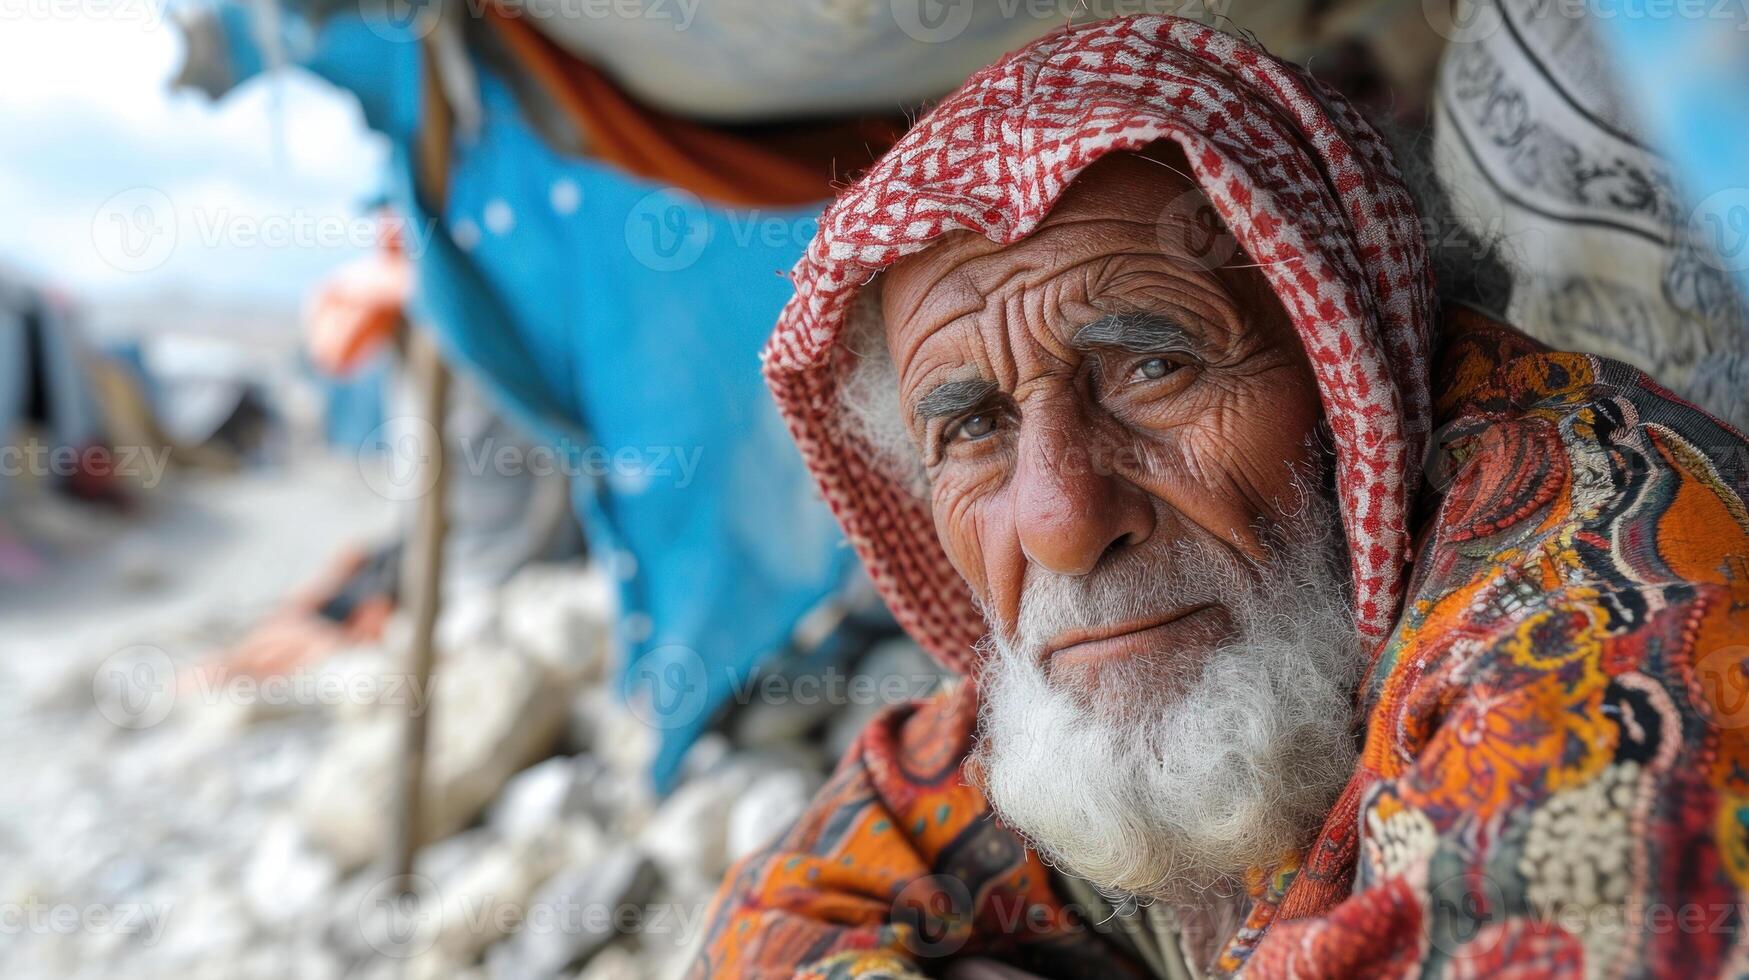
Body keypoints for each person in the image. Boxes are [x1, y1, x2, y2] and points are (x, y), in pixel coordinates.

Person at [690, 16, 1749, 978]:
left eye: (1156, 368)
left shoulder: (1595, 658)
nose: (1062, 520)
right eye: (974, 429)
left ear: (1354, 375)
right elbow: (791, 900)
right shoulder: (1192, 648)